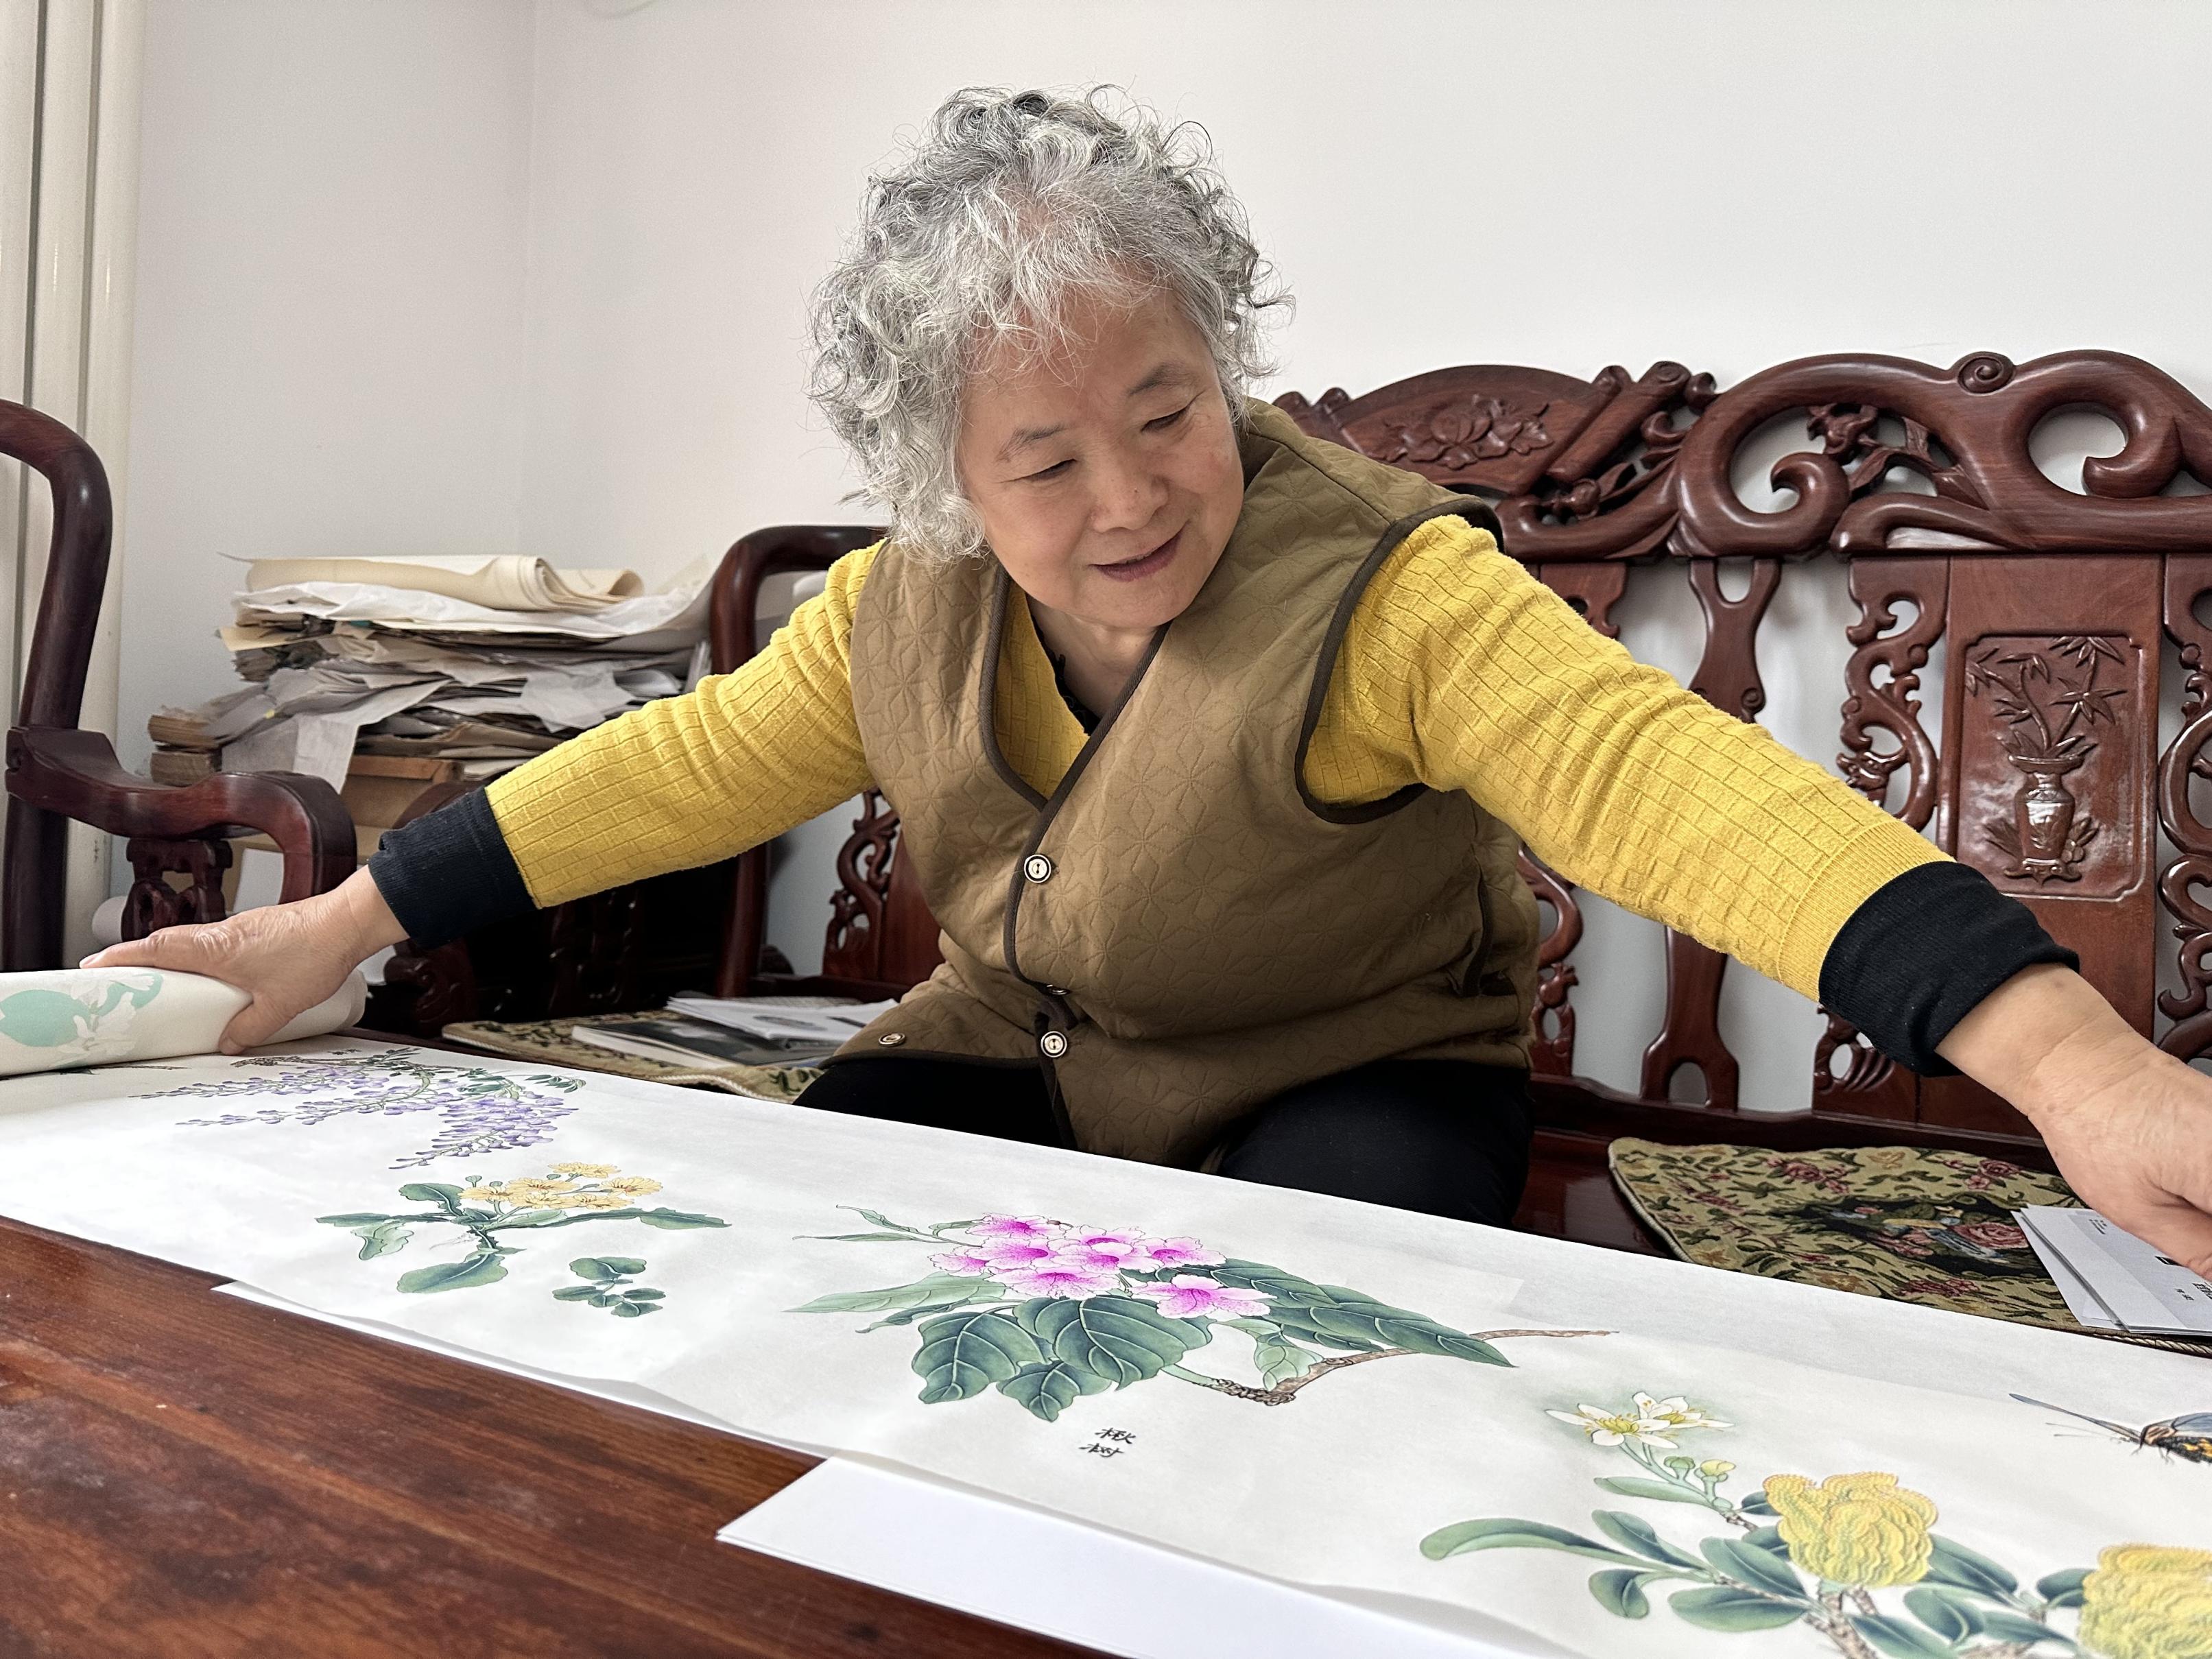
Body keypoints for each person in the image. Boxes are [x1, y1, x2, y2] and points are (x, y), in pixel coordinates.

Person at [91, 88, 2212, 1272]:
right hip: (1017, 1048)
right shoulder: (901, 603)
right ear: (944, 478)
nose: (1128, 498)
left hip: (1355, 1072)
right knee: (804, 1254)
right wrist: (338, 925)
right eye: (1042, 461)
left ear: (1223, 365)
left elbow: (1671, 784)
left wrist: (2071, 1066)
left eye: (1169, 409)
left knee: (1308, 1320)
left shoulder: (1388, 588)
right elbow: (678, 767)